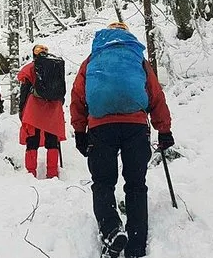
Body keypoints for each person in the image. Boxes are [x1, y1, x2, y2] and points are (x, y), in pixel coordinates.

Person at [70, 22, 174, 258]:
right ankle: (136, 247)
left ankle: (111, 231)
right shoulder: (136, 58)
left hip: (100, 127)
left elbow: (78, 96)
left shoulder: (92, 60)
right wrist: (164, 130)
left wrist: (79, 131)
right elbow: (155, 94)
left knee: (103, 183)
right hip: (136, 126)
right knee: (136, 184)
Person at [18, 44, 66, 179]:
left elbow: (24, 91)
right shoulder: (56, 66)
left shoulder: (29, 69)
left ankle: (31, 173)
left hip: (34, 108)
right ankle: (52, 173)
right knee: (52, 140)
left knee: (32, 140)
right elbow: (61, 90)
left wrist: (22, 111)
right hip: (53, 108)